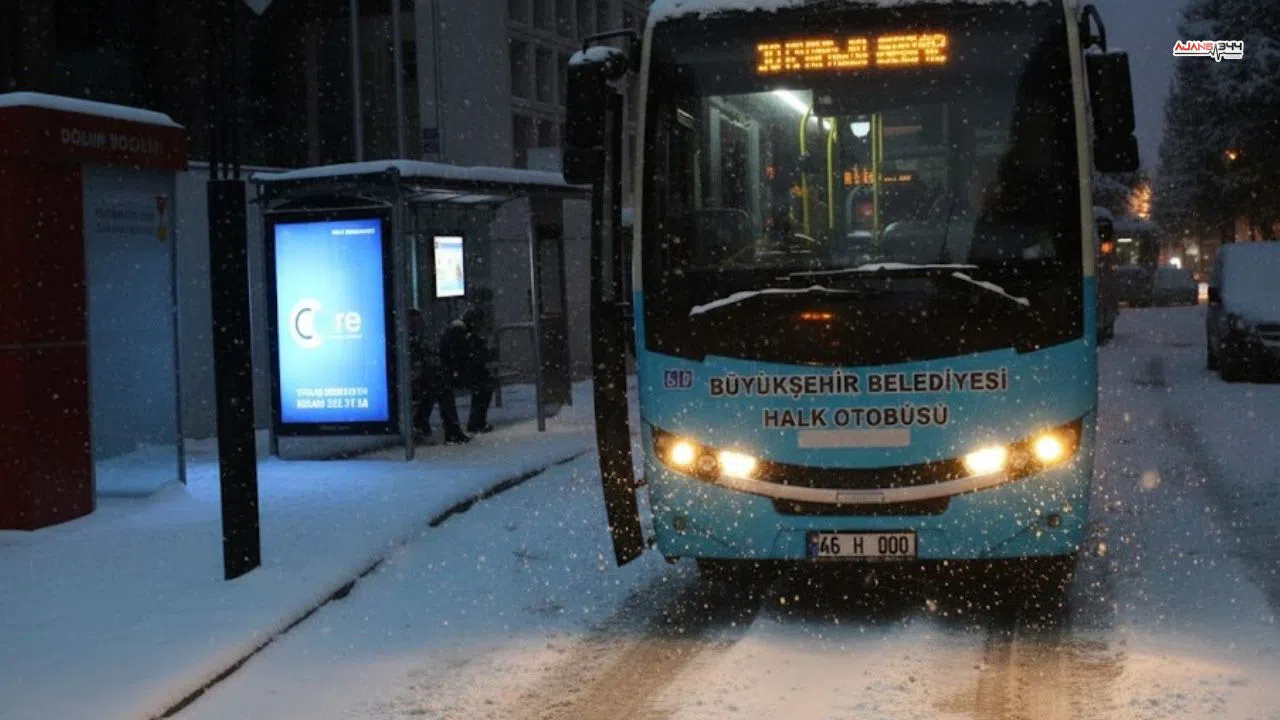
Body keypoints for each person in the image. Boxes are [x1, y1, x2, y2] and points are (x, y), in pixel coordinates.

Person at [409, 309, 469, 444]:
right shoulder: (406, 339)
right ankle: (450, 429)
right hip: (411, 378)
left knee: (435, 385)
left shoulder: (414, 338)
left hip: (419, 377)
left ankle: (422, 422)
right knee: (440, 385)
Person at [439, 306, 495, 434]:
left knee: (484, 381)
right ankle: (476, 422)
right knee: (484, 384)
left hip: (453, 372)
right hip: (453, 373)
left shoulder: (459, 332)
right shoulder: (460, 334)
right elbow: (465, 357)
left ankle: (476, 422)